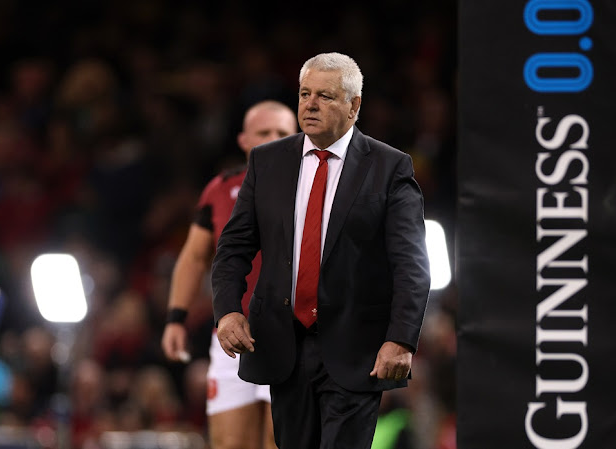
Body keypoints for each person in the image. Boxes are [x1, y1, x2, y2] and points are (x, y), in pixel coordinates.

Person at [211, 53, 431, 449]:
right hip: (282, 346)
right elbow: (234, 247)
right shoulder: (267, 161)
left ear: (354, 106)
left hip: (356, 350)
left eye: (325, 96)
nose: (310, 105)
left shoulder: (389, 167)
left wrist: (401, 338)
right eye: (305, 94)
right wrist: (227, 311)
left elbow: (411, 265)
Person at [161, 100, 298, 449]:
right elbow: (193, 258)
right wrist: (176, 318)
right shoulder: (221, 190)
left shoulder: (313, 186)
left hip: (292, 335)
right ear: (243, 140)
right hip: (230, 337)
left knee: (280, 440)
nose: (273, 139)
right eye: (263, 132)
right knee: (228, 443)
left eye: (282, 133)